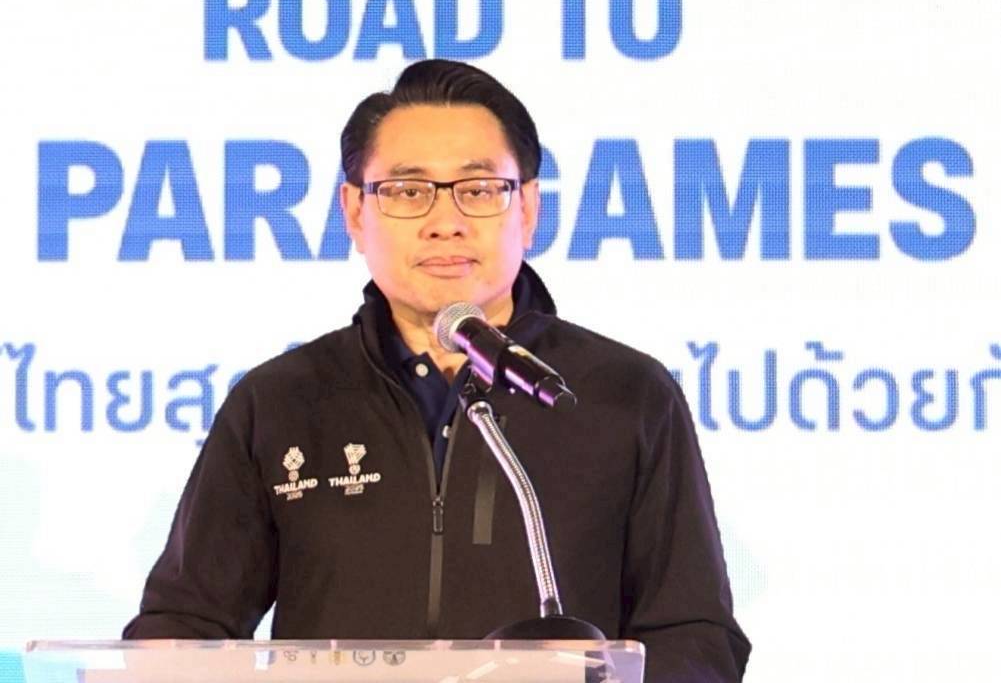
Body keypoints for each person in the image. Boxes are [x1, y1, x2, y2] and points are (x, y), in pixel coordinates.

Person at [124, 59, 751, 681]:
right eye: (407, 191)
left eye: (478, 190)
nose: (445, 223)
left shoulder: (624, 394)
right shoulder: (279, 403)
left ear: (528, 208)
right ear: (354, 211)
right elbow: (186, 626)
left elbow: (694, 636)